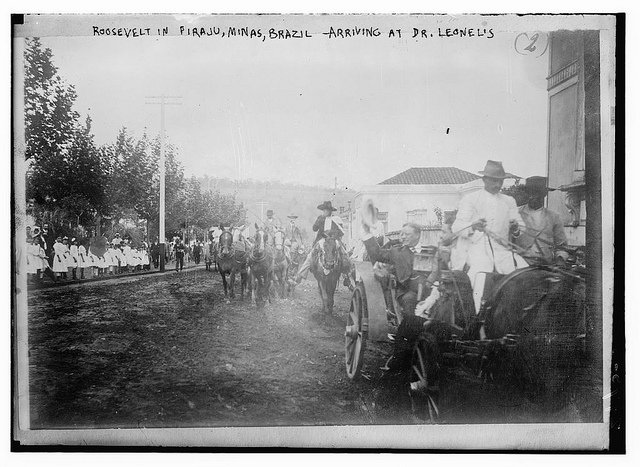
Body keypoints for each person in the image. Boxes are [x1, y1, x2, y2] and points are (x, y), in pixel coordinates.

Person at [451, 160, 528, 312]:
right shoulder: (470, 199)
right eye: (493, 180)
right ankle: (478, 319)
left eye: (500, 181)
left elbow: (521, 227)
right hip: (476, 248)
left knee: (524, 273)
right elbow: (457, 227)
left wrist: (515, 228)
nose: (497, 184)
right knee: (481, 277)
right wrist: (473, 226)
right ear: (484, 179)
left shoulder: (509, 201)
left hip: (502, 249)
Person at [515, 176, 568, 265]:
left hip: (545, 266)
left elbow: (562, 247)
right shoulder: (516, 214)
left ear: (543, 195)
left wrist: (560, 258)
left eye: (535, 194)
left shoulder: (554, 217)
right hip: (521, 267)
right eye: (528, 193)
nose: (530, 197)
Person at [296, 201, 351, 284]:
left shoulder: (335, 219)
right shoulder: (320, 218)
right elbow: (314, 228)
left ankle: (346, 275)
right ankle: (301, 274)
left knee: (343, 253)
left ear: (330, 211)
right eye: (324, 210)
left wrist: (332, 233)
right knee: (311, 255)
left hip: (333, 239)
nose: (326, 212)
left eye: (328, 210)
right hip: (321, 240)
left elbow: (341, 232)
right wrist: (320, 219)